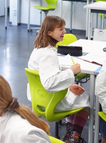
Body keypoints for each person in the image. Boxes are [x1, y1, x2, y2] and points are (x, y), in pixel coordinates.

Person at [27, 15, 90, 143]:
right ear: (50, 32)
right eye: (61, 29)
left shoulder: (40, 48)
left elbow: (47, 76)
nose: (65, 32)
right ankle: (74, 136)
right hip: (52, 99)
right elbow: (49, 82)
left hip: (39, 97)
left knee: (75, 94)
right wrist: (71, 72)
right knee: (87, 100)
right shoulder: (48, 54)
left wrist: (68, 85)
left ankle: (69, 132)